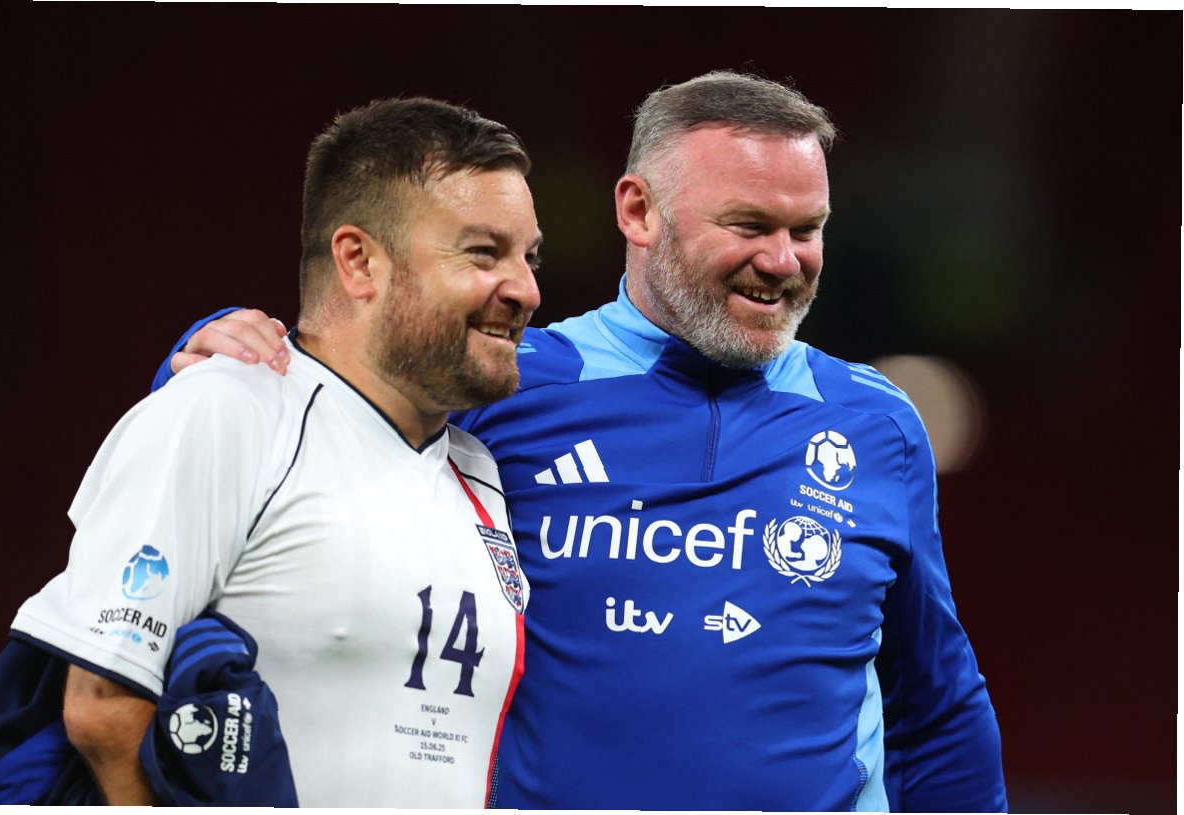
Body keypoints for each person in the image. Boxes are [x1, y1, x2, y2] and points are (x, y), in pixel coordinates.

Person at [157, 71, 1007, 811]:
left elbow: (936, 706)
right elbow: (308, 423)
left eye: (806, 229)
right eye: (750, 224)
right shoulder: (504, 386)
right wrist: (206, 357)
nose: (784, 261)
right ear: (639, 210)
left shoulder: (875, 423)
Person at [4, 97, 542, 806]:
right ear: (359, 262)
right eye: (483, 253)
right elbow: (102, 707)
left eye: (530, 256)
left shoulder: (480, 470)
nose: (528, 290)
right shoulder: (228, 409)